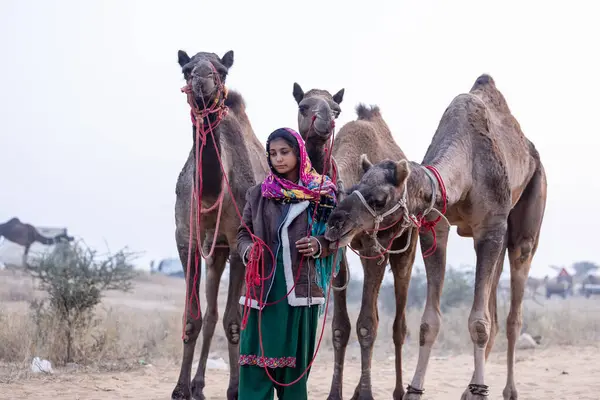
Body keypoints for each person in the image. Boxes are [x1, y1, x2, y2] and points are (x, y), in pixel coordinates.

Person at [236, 127, 341, 400]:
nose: (278, 159)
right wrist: (248, 250)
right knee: (253, 367)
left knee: (293, 375)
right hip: (262, 293)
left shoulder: (323, 194)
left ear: (299, 153)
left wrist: (319, 245)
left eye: (284, 152)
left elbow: (337, 237)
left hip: (301, 295)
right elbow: (242, 233)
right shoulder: (258, 194)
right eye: (273, 153)